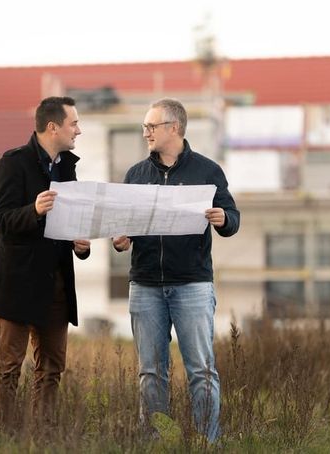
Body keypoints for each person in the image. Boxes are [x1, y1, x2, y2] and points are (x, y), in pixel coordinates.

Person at [112, 98, 240, 442]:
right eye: (144, 127)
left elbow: (232, 220)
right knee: (151, 372)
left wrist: (223, 218)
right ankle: (157, 441)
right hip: (145, 285)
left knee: (201, 370)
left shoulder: (207, 171)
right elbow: (125, 228)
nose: (146, 133)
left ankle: (206, 441)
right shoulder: (135, 175)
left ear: (175, 128)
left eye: (151, 127)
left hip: (193, 285)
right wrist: (121, 241)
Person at [0, 96, 91, 430]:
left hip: (56, 283)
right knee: (8, 366)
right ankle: (3, 436)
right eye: (74, 123)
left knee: (52, 367)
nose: (79, 130)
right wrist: (35, 210)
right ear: (52, 127)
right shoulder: (12, 163)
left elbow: (68, 223)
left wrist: (80, 245)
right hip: (17, 284)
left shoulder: (68, 166)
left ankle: (42, 435)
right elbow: (2, 219)